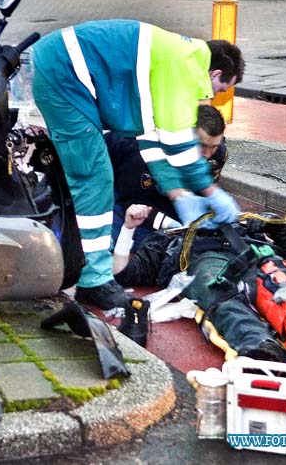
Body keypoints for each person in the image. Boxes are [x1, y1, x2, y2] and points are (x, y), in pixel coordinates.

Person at [31, 20, 244, 311]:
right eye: (221, 88)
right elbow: (177, 143)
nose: (216, 96)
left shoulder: (179, 58)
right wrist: (210, 192)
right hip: (65, 75)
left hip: (62, 66)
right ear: (216, 73)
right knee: (94, 178)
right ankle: (94, 281)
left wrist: (178, 195)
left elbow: (152, 140)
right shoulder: (184, 67)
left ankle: (93, 274)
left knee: (96, 179)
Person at [112, 204, 286, 365]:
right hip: (206, 266)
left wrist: (276, 229)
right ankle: (259, 344)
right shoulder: (167, 241)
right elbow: (123, 273)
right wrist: (129, 227)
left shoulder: (239, 224)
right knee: (219, 291)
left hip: (251, 254)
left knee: (277, 277)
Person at [105, 104, 229, 250]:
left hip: (163, 196)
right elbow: (132, 200)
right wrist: (169, 225)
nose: (208, 154)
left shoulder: (218, 155)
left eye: (213, 146)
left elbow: (198, 195)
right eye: (202, 145)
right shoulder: (139, 151)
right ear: (185, 138)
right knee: (146, 245)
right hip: (120, 188)